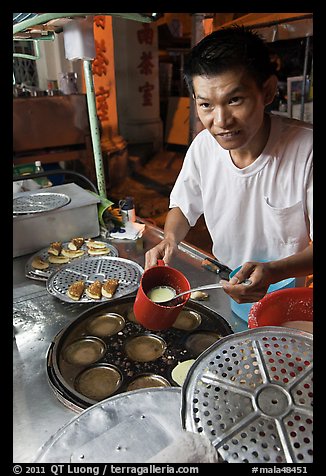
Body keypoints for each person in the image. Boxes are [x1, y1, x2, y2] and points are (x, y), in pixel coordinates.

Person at [145, 26, 313, 305]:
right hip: (224, 282)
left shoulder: (306, 150)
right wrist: (170, 238)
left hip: (285, 290)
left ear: (268, 91)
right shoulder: (204, 147)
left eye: (234, 100)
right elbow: (183, 207)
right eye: (206, 105)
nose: (221, 120)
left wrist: (273, 271)